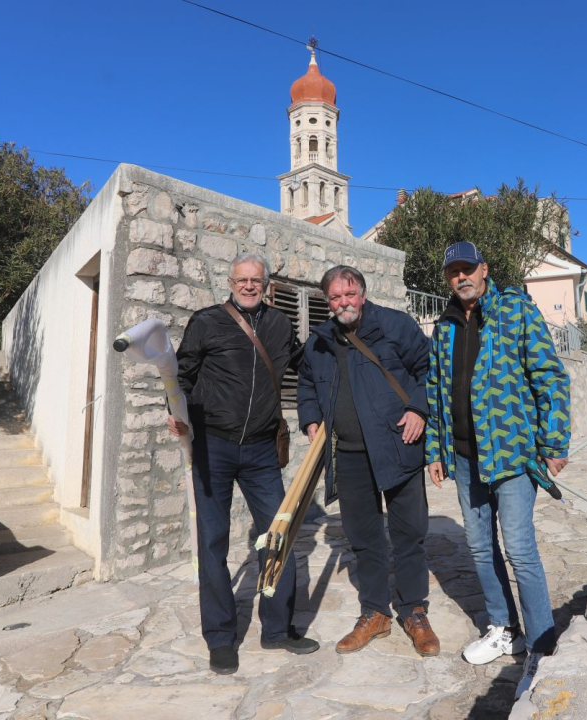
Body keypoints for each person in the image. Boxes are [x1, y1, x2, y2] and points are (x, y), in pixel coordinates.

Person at [425, 241, 571, 696]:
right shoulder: (444, 328)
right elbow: (435, 394)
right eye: (453, 272)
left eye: (468, 269)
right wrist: (436, 450)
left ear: (484, 270)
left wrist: (555, 440)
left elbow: (550, 376)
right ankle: (503, 627)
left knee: (520, 549)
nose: (461, 277)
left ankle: (542, 642)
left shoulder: (515, 311)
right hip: (465, 459)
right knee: (479, 547)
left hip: (511, 453)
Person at [169, 251, 319, 675]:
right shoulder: (207, 321)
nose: (249, 286)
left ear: (267, 284)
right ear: (230, 284)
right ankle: (220, 638)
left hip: (260, 451)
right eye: (241, 281)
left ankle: (277, 630)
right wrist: (174, 408)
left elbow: (303, 364)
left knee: (279, 536)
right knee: (213, 544)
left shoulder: (279, 323)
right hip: (212, 447)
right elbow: (182, 372)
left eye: (256, 280)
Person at [297, 265, 440, 657]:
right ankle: (375, 612)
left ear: (363, 293)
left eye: (350, 294)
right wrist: (310, 418)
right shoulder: (321, 341)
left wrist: (418, 409)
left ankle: (414, 611)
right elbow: (307, 382)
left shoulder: (395, 325)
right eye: (336, 297)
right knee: (364, 539)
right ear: (328, 302)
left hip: (398, 445)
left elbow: (431, 370)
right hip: (348, 454)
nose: (344, 303)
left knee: (409, 533)